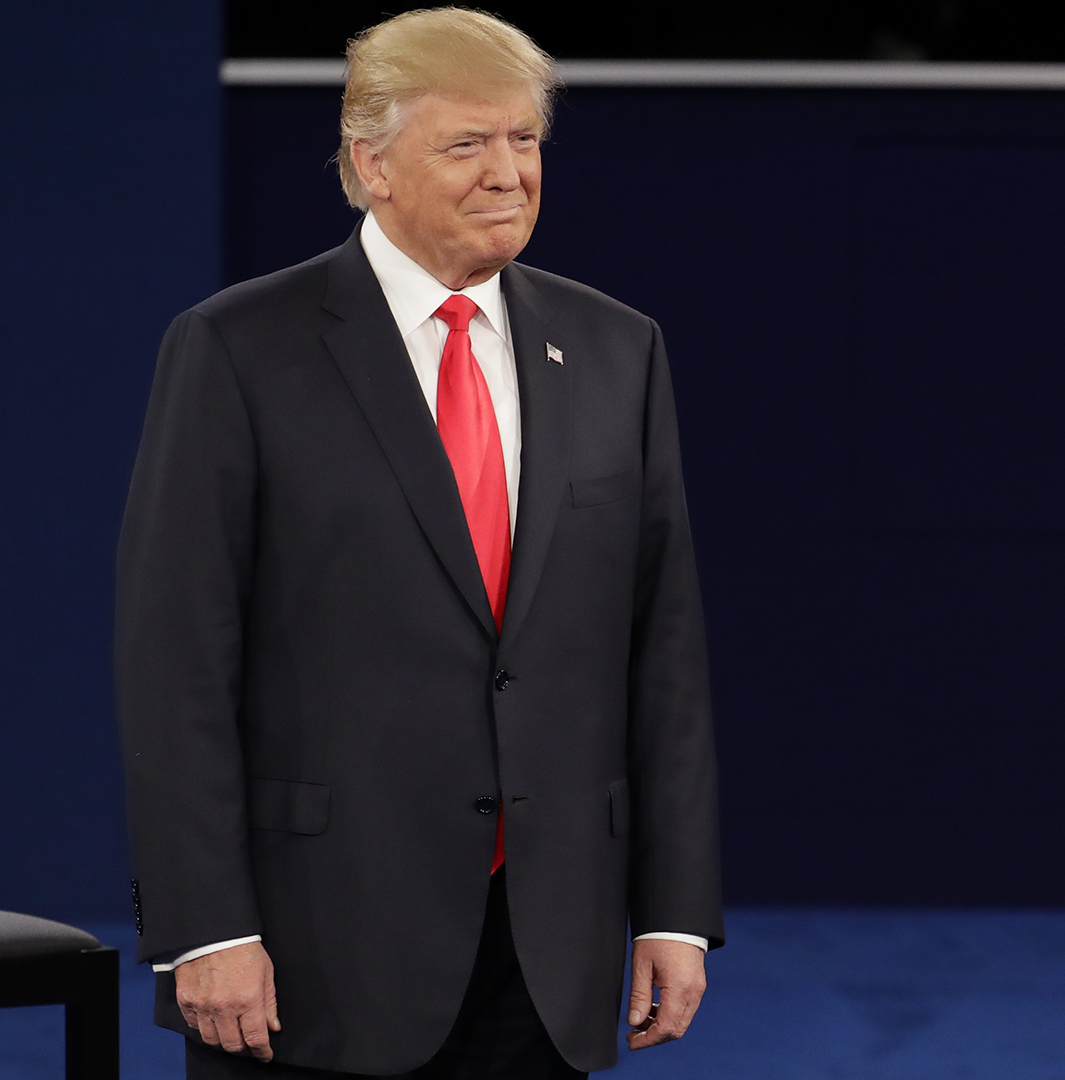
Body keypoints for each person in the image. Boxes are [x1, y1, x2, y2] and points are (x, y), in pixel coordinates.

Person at [115, 9, 722, 1077]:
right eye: (467, 144)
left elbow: (660, 649)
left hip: (549, 944)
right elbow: (176, 664)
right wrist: (205, 928)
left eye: (525, 141)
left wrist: (674, 910)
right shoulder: (237, 349)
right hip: (313, 949)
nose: (508, 174)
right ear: (372, 164)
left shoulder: (618, 348)